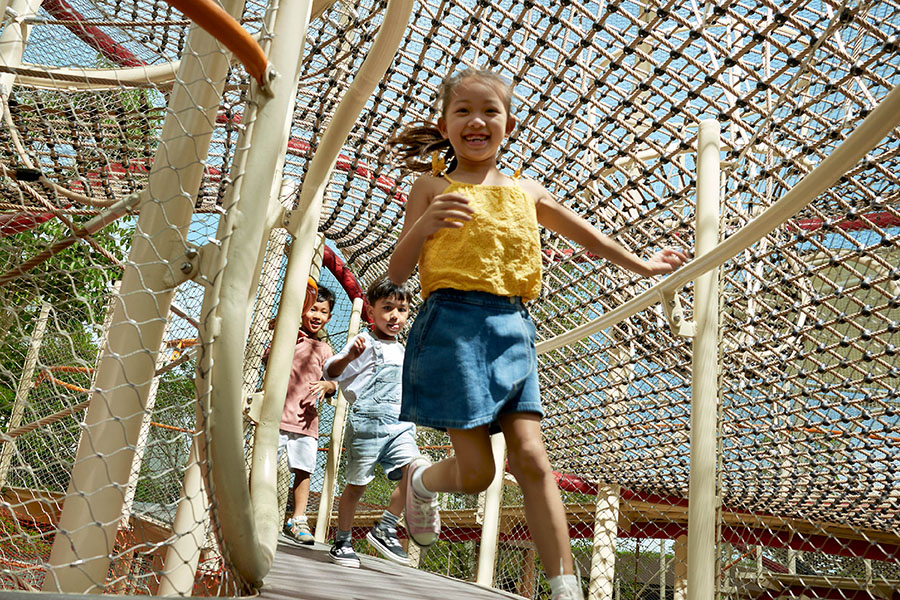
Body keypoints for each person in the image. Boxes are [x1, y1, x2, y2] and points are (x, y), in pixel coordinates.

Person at [387, 68, 689, 600]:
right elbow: (398, 271)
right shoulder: (433, 186)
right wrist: (426, 222)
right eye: (463, 111)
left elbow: (588, 235)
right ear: (444, 123)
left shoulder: (527, 190)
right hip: (452, 325)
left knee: (532, 458)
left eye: (489, 111)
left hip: (513, 324)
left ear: (508, 124)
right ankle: (420, 481)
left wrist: (643, 266)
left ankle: (566, 588)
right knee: (478, 474)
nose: (476, 121)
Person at [323, 277, 419, 568]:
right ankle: (342, 541)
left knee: (415, 472)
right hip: (368, 425)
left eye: (401, 310)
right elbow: (331, 372)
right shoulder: (364, 343)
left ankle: (386, 526)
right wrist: (349, 356)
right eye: (387, 308)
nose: (394, 316)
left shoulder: (403, 351)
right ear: (372, 310)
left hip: (400, 425)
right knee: (357, 486)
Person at [279, 285, 338, 545]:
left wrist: (328, 386)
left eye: (323, 312)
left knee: (303, 470)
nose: (317, 315)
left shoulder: (324, 349)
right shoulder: (288, 336)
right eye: (313, 308)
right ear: (302, 309)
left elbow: (335, 380)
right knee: (262, 462)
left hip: (306, 422)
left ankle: (298, 519)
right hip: (277, 417)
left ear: (328, 318)